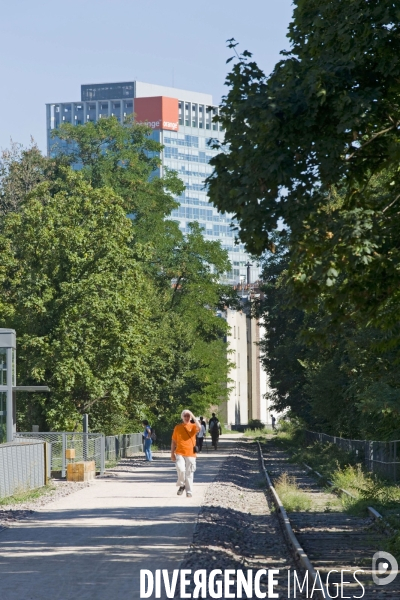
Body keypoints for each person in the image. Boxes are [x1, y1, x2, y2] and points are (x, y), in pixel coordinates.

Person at [171, 409, 201, 497]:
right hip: (179, 452)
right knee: (181, 469)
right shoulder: (178, 427)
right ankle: (182, 485)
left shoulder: (193, 426)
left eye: (188, 416)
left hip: (191, 453)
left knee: (189, 472)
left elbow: (199, 427)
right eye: (185, 416)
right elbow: (173, 441)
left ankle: (189, 491)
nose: (187, 417)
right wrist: (172, 453)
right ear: (182, 417)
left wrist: (193, 415)